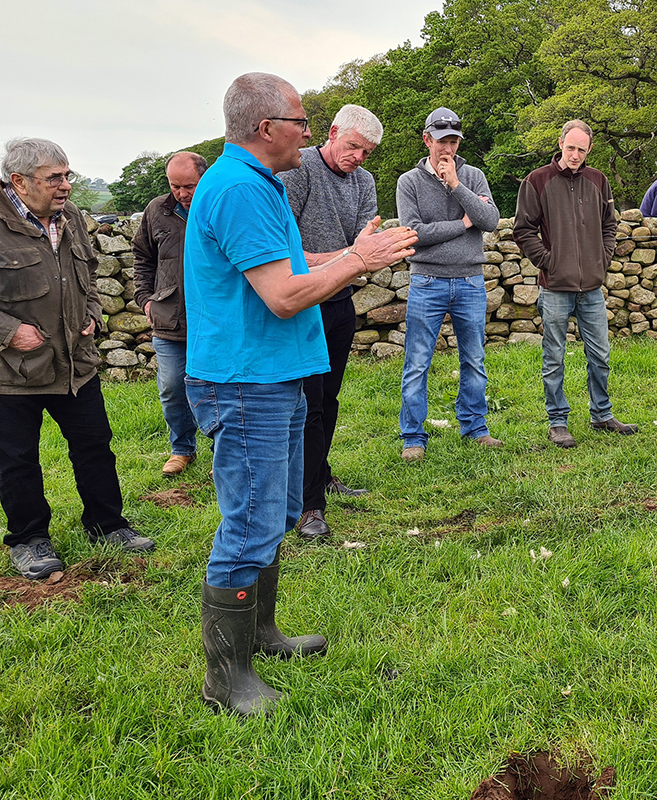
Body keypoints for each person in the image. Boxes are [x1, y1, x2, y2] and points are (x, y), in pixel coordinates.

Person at [185, 73, 416, 716]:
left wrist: (350, 250)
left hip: (273, 375)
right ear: (267, 129)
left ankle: (259, 634)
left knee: (275, 514)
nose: (308, 132)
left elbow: (292, 266)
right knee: (250, 523)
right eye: (302, 121)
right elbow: (283, 296)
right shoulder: (238, 190)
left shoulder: (256, 185)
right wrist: (358, 264)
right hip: (245, 381)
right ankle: (225, 678)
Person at [0, 137, 156, 581]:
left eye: (68, 175)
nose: (66, 185)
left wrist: (90, 314)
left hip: (76, 364)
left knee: (94, 447)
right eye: (55, 178)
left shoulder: (70, 218)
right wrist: (9, 332)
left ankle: (107, 525)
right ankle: (29, 540)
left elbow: (84, 278)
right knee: (17, 460)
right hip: (11, 373)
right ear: (19, 182)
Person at [278, 104, 384, 541]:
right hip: (303, 303)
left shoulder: (364, 182)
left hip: (339, 301)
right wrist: (349, 258)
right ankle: (308, 505)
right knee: (309, 403)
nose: (358, 157)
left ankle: (319, 474)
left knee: (331, 396)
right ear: (333, 132)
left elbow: (368, 245)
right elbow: (286, 251)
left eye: (367, 151)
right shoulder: (297, 171)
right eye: (354, 146)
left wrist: (350, 259)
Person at [513, 120, 638, 448]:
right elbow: (523, 229)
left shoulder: (599, 180)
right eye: (571, 148)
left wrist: (603, 257)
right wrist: (548, 261)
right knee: (554, 356)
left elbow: (610, 225)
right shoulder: (537, 181)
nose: (575, 155)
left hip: (592, 287)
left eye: (582, 150)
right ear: (560, 143)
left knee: (600, 354)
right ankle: (557, 421)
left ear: (589, 150)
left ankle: (601, 414)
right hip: (555, 286)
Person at [394, 107, 503, 462]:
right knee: (418, 361)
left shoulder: (472, 176)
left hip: (470, 281)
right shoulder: (408, 182)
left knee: (474, 358)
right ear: (427, 140)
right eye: (442, 141)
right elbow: (414, 234)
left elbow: (489, 220)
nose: (448, 149)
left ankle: (475, 427)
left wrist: (456, 185)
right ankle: (413, 437)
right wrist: (461, 224)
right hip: (427, 281)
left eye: (453, 141)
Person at [133, 151, 207, 476]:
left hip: (214, 321)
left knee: (215, 390)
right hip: (168, 318)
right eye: (175, 186)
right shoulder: (156, 211)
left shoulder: (219, 206)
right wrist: (145, 298)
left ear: (204, 178)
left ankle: (224, 452)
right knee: (173, 386)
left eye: (188, 185)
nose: (182, 193)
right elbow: (142, 257)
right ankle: (182, 449)